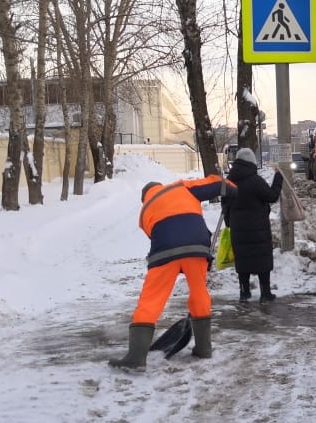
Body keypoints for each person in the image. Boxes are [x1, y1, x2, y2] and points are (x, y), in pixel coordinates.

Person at [109, 174, 235, 370]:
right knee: (199, 291)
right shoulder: (180, 187)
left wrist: (174, 265)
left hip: (164, 252)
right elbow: (217, 184)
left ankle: (136, 357)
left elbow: (160, 237)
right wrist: (230, 190)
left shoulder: (144, 213)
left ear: (146, 196)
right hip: (197, 246)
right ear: (160, 186)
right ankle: (204, 348)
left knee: (151, 299)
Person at [223, 148, 284, 302]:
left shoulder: (228, 181)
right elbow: (272, 196)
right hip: (258, 227)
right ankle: (265, 293)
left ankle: (244, 292)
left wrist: (230, 223)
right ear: (251, 162)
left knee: (242, 260)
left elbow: (225, 205)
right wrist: (278, 177)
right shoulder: (255, 180)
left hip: (238, 228)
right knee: (262, 259)